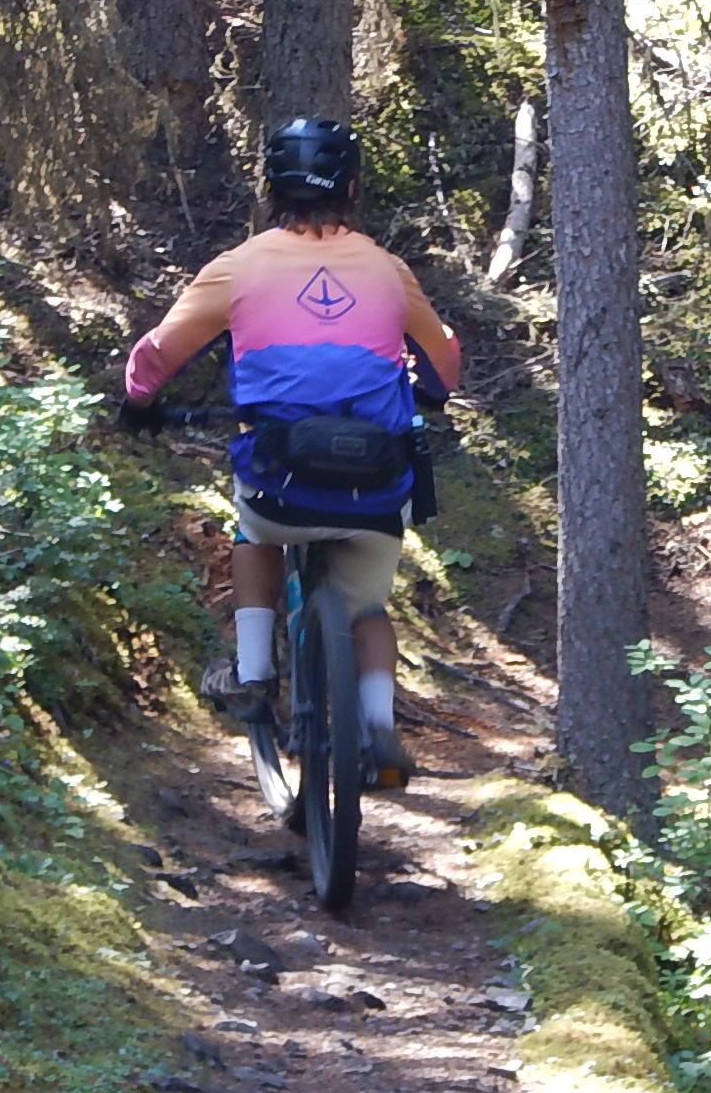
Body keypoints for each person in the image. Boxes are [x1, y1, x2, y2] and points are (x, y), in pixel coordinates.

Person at [119, 117, 461, 787]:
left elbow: (160, 352)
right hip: (373, 488)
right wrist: (434, 390)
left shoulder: (237, 268)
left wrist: (139, 401)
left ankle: (251, 672)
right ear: (354, 186)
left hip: (282, 485)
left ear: (271, 186)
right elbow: (442, 354)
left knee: (253, 531)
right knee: (367, 609)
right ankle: (380, 726)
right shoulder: (390, 271)